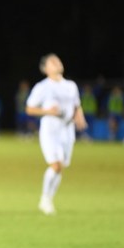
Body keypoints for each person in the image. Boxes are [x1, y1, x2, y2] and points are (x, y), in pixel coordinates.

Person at [25, 53, 87, 215]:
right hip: (50, 131)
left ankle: (48, 199)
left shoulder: (71, 85)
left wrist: (80, 118)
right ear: (45, 69)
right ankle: (45, 199)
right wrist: (47, 111)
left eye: (57, 60)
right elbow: (29, 108)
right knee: (56, 165)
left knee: (61, 167)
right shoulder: (42, 87)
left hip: (67, 130)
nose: (57, 63)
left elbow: (76, 105)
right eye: (52, 62)